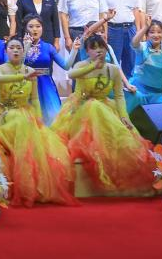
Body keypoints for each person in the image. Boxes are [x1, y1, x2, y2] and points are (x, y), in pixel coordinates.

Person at [52, 34, 152, 194]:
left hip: (104, 106)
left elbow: (119, 96)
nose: (98, 50)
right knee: (93, 108)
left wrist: (124, 117)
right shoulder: (81, 65)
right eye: (93, 48)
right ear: (87, 51)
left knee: (111, 121)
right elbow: (71, 75)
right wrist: (93, 66)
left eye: (101, 47)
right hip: (81, 106)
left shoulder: (113, 69)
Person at [0, 38, 77, 207]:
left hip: (25, 112)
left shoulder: (31, 71)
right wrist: (24, 76)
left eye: (18, 48)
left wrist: (38, 118)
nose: (15, 50)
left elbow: (35, 99)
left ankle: (31, 185)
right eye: (12, 47)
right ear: (6, 51)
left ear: (23, 51)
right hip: (4, 112)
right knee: (19, 123)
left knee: (30, 129)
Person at [95, 0, 143, 76]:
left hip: (131, 29)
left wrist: (138, 30)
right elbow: (100, 11)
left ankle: (128, 87)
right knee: (112, 63)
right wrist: (104, 32)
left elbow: (135, 9)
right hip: (113, 29)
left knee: (131, 63)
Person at [21, 14, 66, 124]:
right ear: (26, 29)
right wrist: (26, 47)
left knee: (51, 119)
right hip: (27, 86)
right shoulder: (19, 46)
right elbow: (18, 67)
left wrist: (74, 49)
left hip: (46, 86)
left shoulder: (48, 47)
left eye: (38, 26)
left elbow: (66, 66)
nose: (35, 29)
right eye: (31, 26)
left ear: (42, 28)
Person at [125, 20, 162, 113]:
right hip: (138, 90)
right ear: (147, 35)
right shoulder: (142, 47)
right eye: (152, 32)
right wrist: (145, 27)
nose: (156, 35)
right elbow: (134, 43)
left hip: (157, 93)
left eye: (159, 32)